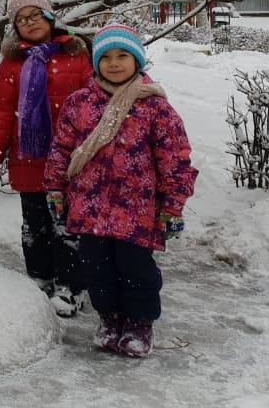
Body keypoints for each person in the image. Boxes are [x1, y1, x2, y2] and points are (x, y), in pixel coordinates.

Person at [44, 23, 197, 358]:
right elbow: (61, 148)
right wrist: (55, 187)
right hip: (90, 206)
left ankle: (139, 324)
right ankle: (110, 319)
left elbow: (175, 158)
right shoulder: (80, 103)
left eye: (123, 56)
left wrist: (173, 205)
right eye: (106, 57)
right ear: (96, 62)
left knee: (136, 270)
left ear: (137, 60)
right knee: (97, 269)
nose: (114, 63)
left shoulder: (154, 107)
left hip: (136, 209)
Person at [0, 0, 92, 316]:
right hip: (28, 158)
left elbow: (93, 104)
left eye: (34, 15)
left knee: (67, 224)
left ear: (49, 15)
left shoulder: (75, 54)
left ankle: (71, 286)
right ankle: (39, 279)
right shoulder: (12, 63)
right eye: (20, 19)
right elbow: (2, 113)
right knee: (35, 223)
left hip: (69, 157)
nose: (28, 23)